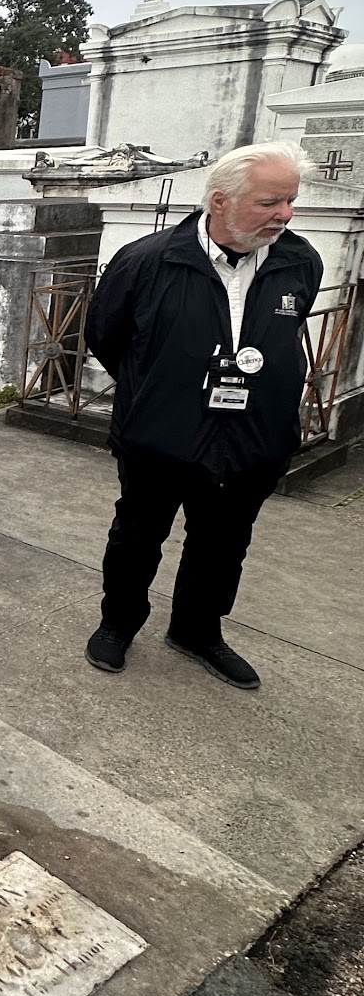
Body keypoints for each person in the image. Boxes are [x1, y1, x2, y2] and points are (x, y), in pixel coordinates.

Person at [83, 142, 321, 690]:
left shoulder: (298, 260)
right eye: (269, 203)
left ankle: (197, 630)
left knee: (224, 543)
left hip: (252, 441)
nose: (284, 214)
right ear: (220, 201)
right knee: (137, 537)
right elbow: (106, 335)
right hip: (161, 438)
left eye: (290, 201)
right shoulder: (148, 260)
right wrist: (157, 390)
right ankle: (118, 624)